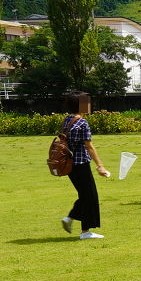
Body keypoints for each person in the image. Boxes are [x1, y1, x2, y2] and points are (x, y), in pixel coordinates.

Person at [58, 93, 111, 239]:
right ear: (80, 105)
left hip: (68, 164)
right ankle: (85, 231)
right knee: (90, 196)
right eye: (87, 103)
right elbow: (89, 146)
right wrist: (100, 165)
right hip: (81, 163)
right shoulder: (82, 122)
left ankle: (71, 220)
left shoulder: (67, 120)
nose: (90, 105)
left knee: (85, 195)